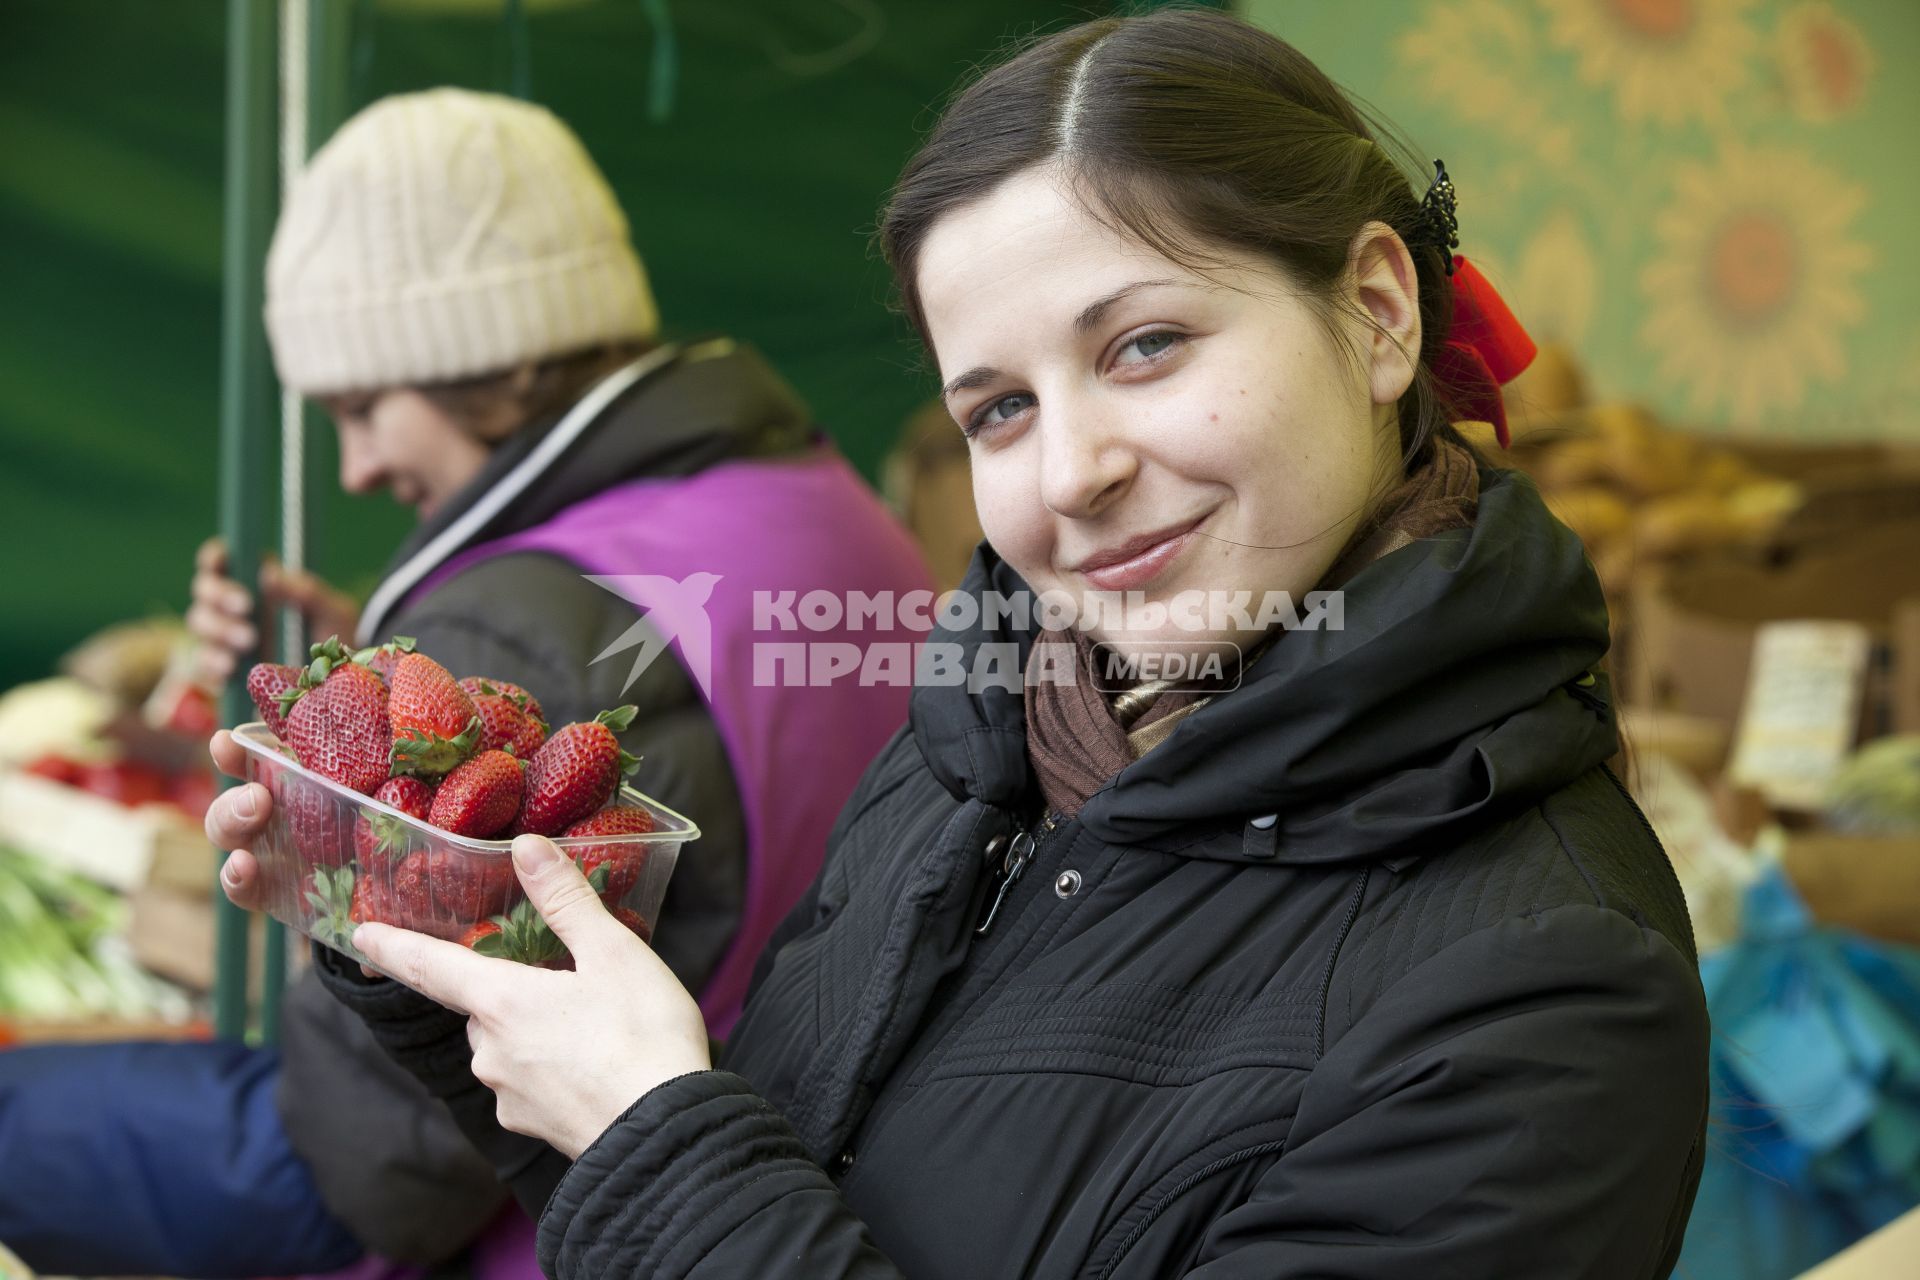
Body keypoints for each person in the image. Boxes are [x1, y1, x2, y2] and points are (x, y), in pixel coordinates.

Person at [209, 11, 1710, 1278]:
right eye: (999, 406)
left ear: (1378, 314)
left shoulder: (1550, 990)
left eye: (1145, 345)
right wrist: (441, 952)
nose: (1071, 474)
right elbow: (718, 1211)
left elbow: (698, 1199)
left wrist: (657, 1139)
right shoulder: (971, 757)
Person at [0, 88, 930, 1277]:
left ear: (494, 352)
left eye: (363, 406)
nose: (360, 462)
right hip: (801, 1169)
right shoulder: (812, 494)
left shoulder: (520, 621)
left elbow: (376, 1163)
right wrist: (405, 666)